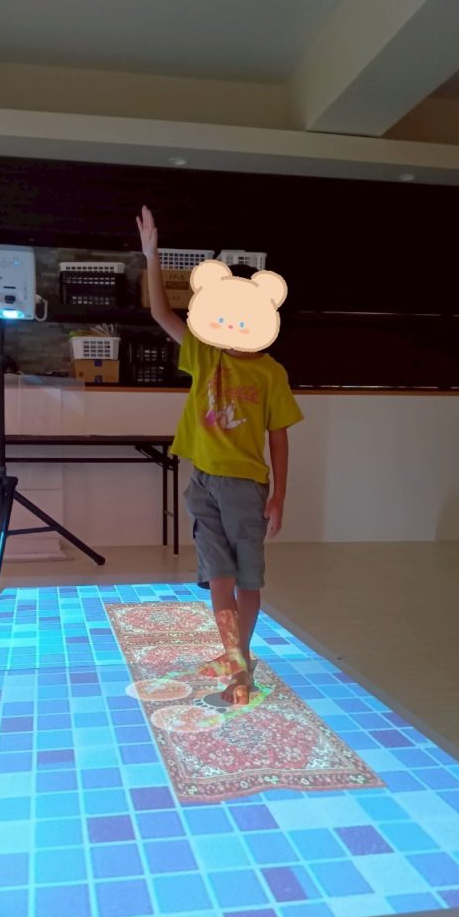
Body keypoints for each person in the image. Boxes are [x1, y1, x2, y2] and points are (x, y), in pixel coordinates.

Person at [136, 206, 303, 705]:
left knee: (246, 579)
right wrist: (151, 256)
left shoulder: (270, 373)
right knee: (218, 577)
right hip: (203, 481)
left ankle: (242, 658)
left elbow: (279, 436)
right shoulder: (205, 353)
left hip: (246, 487)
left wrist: (279, 496)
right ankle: (235, 657)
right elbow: (161, 314)